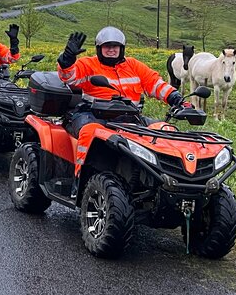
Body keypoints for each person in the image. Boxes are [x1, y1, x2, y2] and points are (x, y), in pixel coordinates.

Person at [57, 26, 185, 182]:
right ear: (99, 48)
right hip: (93, 115)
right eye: (107, 46)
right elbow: (69, 77)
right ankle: (81, 177)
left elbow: (155, 83)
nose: (111, 50)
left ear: (122, 48)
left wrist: (175, 97)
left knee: (165, 129)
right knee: (89, 132)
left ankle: (168, 179)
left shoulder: (134, 66)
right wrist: (67, 60)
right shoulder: (88, 64)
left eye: (115, 46)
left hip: (130, 117)